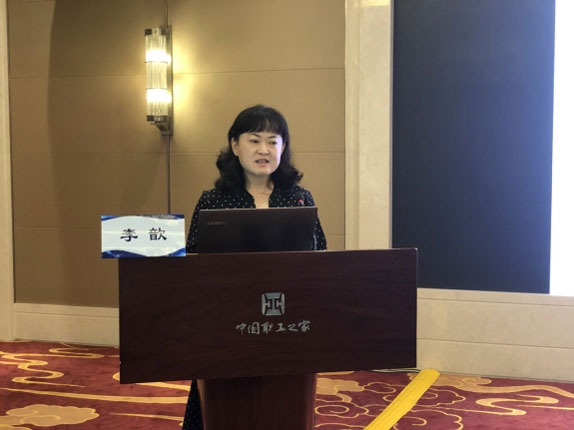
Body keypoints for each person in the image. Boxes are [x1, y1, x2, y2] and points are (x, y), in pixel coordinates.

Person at [182, 104, 327, 429]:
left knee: (284, 408)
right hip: (227, 328)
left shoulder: (300, 199)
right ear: (235, 145)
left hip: (286, 326)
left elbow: (321, 260)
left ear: (283, 148)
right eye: (254, 139)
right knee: (225, 408)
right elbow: (193, 262)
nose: (264, 149)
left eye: (273, 141)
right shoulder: (213, 201)